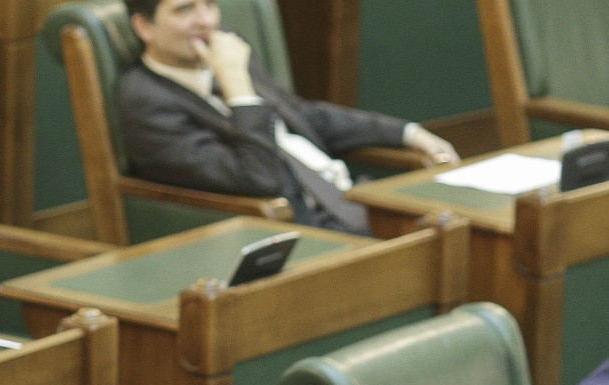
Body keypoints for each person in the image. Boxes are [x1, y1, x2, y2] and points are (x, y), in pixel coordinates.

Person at [116, 0, 456, 235]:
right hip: (300, 228)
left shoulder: (228, 55)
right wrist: (239, 90)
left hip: (349, 199)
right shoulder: (146, 102)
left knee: (461, 226)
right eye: (184, 9)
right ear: (145, 26)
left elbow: (306, 116)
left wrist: (409, 134)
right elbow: (260, 179)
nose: (206, 21)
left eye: (210, 4)